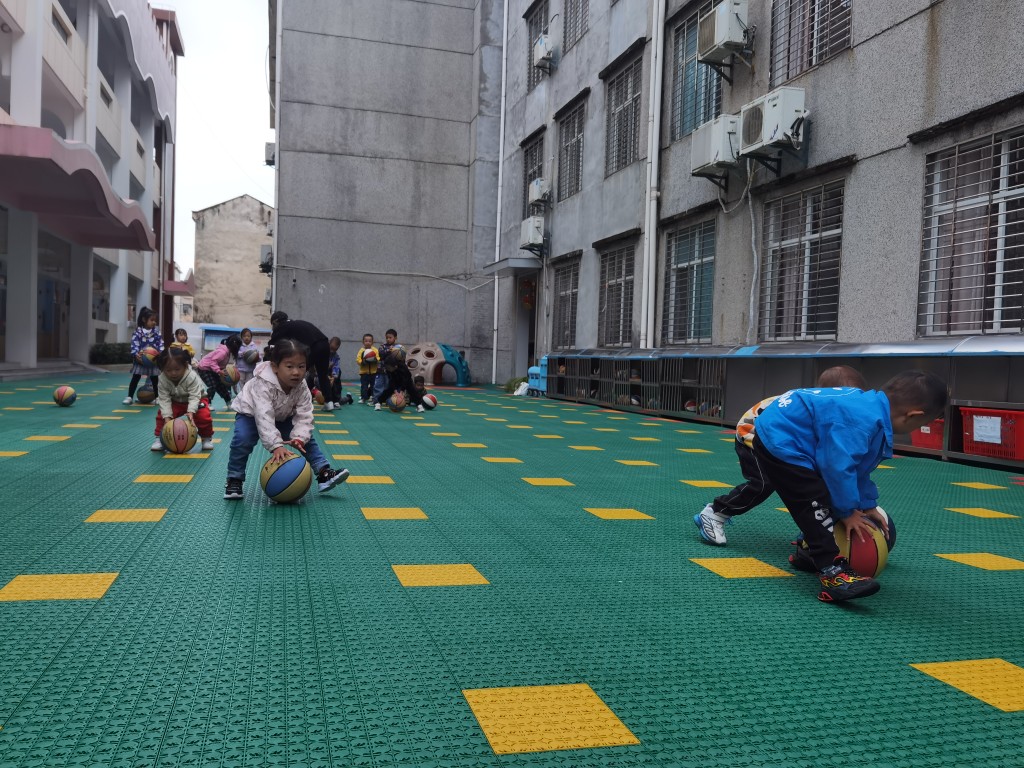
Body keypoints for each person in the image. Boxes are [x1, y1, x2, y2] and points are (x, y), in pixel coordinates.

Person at [750, 370, 947, 602]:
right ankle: (832, 574)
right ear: (912, 416)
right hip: (781, 438)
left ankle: (808, 552)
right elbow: (837, 468)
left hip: (789, 431)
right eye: (921, 425)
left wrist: (867, 504)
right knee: (814, 501)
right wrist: (847, 512)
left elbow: (858, 467)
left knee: (826, 495)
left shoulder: (872, 411)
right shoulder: (860, 422)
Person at [695, 366, 867, 546]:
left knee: (817, 483)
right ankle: (715, 512)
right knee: (763, 482)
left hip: (786, 443)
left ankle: (813, 530)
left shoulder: (832, 412)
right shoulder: (817, 409)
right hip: (754, 433)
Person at [223, 338, 350, 500]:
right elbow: (263, 415)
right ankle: (234, 478)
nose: (296, 372)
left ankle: (324, 473)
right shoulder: (263, 384)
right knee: (242, 440)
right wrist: (276, 446)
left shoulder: (302, 387)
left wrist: (299, 437)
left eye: (301, 366)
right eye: (289, 366)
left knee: (307, 441)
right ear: (275, 367)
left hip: (282, 415)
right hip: (250, 414)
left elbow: (305, 414)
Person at [267, 311, 337, 410]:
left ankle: (294, 401)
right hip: (325, 344)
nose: (273, 328)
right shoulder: (296, 324)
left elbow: (271, 346)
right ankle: (329, 402)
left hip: (313, 347)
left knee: (297, 374)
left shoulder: (282, 327)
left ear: (276, 322)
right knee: (322, 375)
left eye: (273, 325)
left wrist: (267, 361)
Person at [152, 347, 214, 452]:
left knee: (203, 417)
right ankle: (160, 438)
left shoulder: (191, 376)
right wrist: (167, 418)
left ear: (185, 365)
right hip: (175, 401)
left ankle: (206, 438)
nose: (173, 373)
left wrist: (191, 411)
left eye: (177, 369)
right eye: (168, 370)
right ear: (162, 368)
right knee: (161, 415)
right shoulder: (162, 379)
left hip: (197, 399)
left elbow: (195, 396)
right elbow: (164, 399)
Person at [123, 307, 163, 405]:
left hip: (153, 360)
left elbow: (161, 344)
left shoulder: (156, 332)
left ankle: (157, 397)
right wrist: (136, 355)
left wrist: (160, 354)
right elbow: (134, 344)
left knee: (155, 379)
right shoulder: (137, 332)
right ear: (144, 319)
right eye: (152, 320)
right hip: (140, 360)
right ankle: (129, 397)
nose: (154, 322)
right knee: (135, 378)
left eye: (155, 320)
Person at [196, 334, 242, 409]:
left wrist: (224, 371)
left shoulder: (227, 352)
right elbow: (212, 362)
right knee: (212, 385)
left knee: (221, 385)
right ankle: (207, 403)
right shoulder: (222, 352)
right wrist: (219, 371)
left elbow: (220, 363)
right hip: (204, 368)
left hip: (212, 369)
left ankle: (228, 402)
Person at [371, 328, 403, 405]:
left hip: (391, 372)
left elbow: (401, 358)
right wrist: (388, 350)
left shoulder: (398, 348)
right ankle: (376, 400)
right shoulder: (382, 346)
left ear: (395, 338)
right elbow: (380, 355)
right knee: (378, 386)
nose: (388, 339)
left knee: (388, 387)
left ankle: (388, 401)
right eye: (387, 338)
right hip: (381, 370)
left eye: (390, 337)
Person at [356, 333, 378, 404]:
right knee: (364, 386)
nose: (368, 342)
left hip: (373, 372)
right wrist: (363, 362)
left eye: (369, 341)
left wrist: (375, 360)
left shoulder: (375, 350)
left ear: (372, 342)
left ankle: (373, 397)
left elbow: (378, 358)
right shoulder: (361, 350)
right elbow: (358, 360)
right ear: (363, 342)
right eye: (366, 341)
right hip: (364, 372)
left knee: (373, 386)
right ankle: (363, 398)